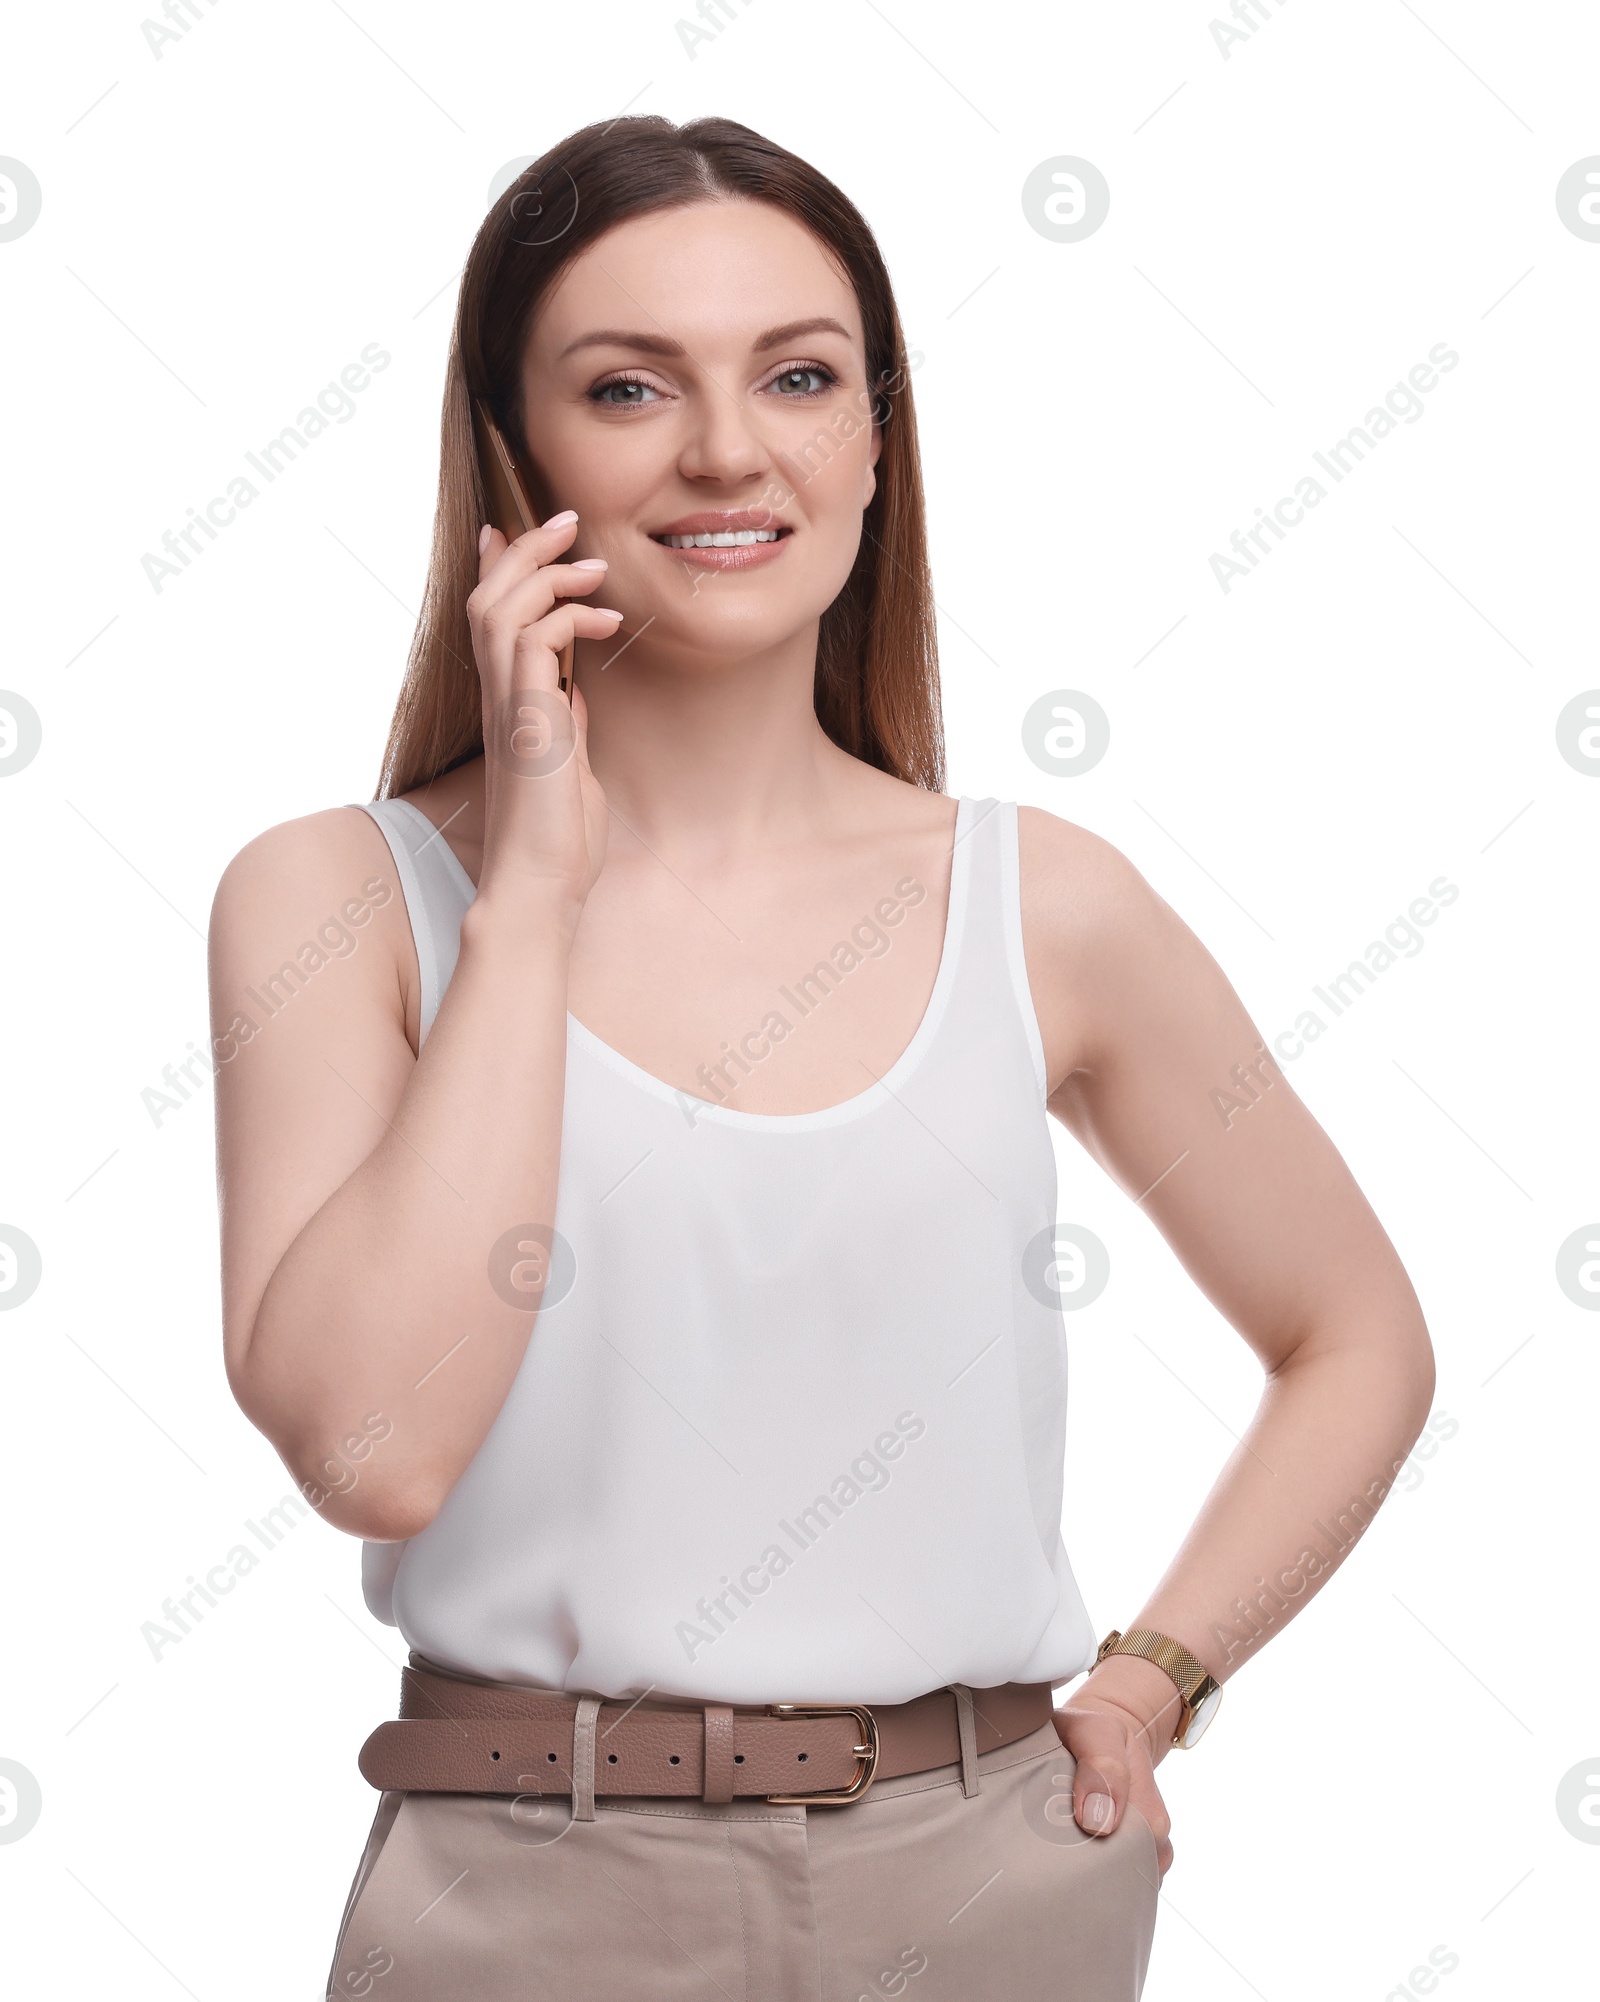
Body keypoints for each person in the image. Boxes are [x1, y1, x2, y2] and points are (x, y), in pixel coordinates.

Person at [209, 115, 1436, 2002]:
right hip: (530, 1894)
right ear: (511, 452)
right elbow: (376, 1449)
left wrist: (1155, 1676)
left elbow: (1356, 1335)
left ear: (876, 436)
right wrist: (532, 891)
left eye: (799, 375)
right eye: (630, 386)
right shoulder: (343, 898)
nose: (728, 450)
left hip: (993, 1886)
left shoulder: (1044, 904)